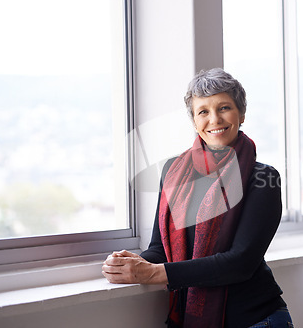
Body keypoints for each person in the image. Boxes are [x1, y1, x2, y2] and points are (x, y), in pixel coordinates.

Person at [102, 68, 293, 328]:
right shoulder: (172, 172)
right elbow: (161, 249)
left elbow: (241, 263)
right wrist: (130, 263)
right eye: (203, 111)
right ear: (194, 120)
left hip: (258, 320)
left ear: (242, 114)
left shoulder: (263, 178)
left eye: (224, 108)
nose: (214, 119)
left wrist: (155, 273)